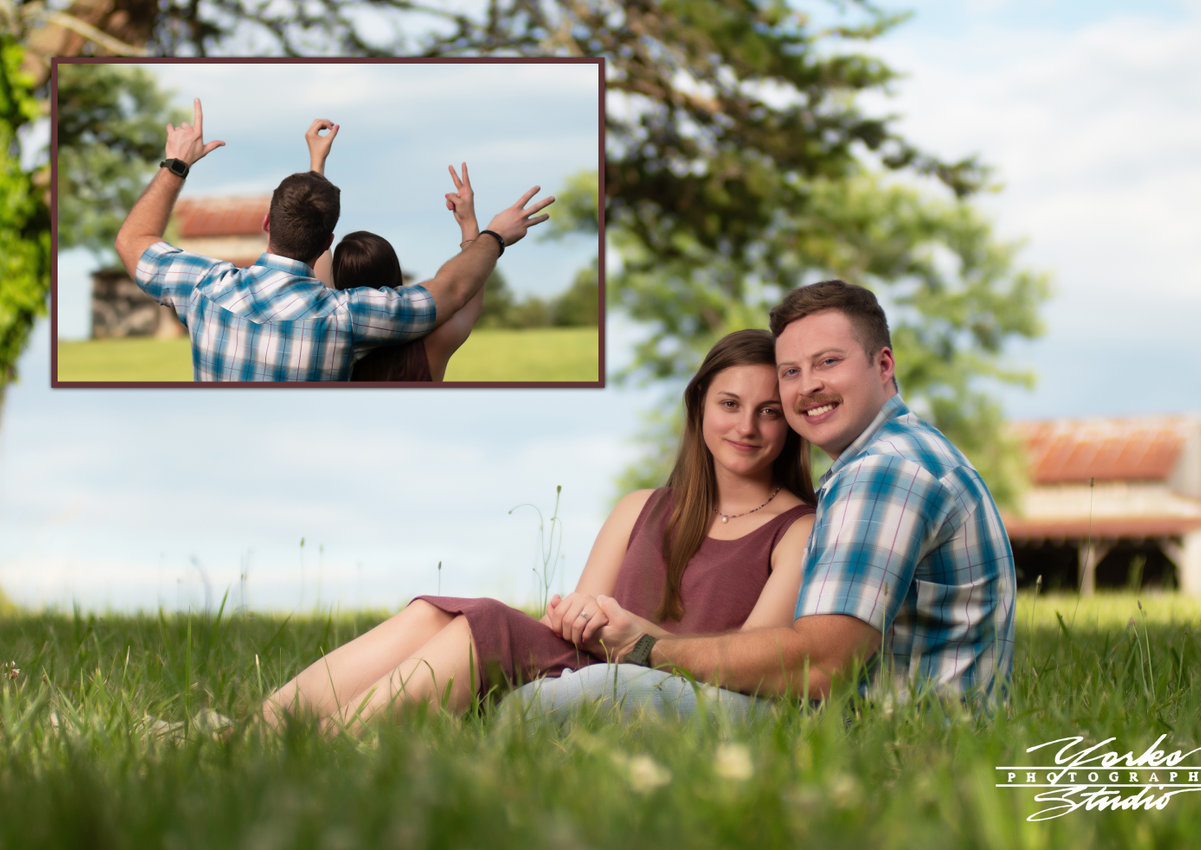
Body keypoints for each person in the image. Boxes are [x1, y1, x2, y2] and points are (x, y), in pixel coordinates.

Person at [260, 329, 817, 733]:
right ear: (699, 407)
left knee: (486, 622)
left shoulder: (796, 529)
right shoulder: (642, 507)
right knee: (439, 612)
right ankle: (260, 729)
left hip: (680, 684)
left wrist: (640, 636)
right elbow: (574, 621)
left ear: (790, 423)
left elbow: (755, 661)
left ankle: (332, 743)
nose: (746, 426)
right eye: (729, 404)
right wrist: (573, 615)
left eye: (769, 412)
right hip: (588, 663)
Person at [516, 279, 1016, 715]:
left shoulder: (886, 472)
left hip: (898, 741)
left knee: (583, 695)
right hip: (893, 726)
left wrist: (646, 646)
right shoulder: (892, 458)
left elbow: (820, 666)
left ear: (883, 364)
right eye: (791, 371)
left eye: (829, 362)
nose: (808, 387)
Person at [114, 99, 552, 381]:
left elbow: (133, 239)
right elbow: (455, 291)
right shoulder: (347, 319)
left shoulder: (205, 288)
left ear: (267, 221)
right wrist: (491, 233)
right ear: (327, 239)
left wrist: (176, 164)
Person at [302, 120, 484, 381]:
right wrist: (469, 224)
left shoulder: (325, 335)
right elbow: (470, 294)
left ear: (337, 280)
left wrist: (317, 164)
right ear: (396, 277)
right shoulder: (431, 346)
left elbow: (317, 247)